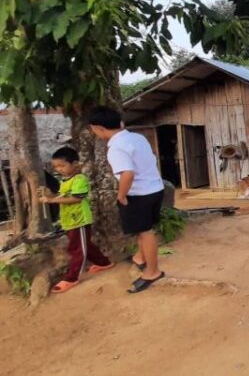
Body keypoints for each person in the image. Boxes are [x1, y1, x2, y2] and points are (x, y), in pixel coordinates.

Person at [88, 106, 165, 294]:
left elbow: (127, 174)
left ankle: (152, 272)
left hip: (138, 194)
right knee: (143, 229)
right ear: (120, 123)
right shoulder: (138, 138)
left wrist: (121, 195)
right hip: (155, 188)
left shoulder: (116, 148)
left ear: (99, 128)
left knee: (145, 233)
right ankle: (140, 258)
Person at [39, 147, 114, 293]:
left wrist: (52, 200)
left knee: (77, 249)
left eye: (62, 165)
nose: (59, 169)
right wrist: (50, 196)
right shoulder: (64, 180)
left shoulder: (79, 179)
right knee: (84, 245)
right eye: (56, 167)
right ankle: (104, 263)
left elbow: (76, 198)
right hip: (69, 220)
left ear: (74, 164)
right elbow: (63, 196)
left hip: (79, 219)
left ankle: (71, 278)